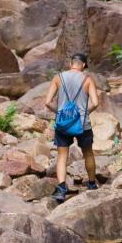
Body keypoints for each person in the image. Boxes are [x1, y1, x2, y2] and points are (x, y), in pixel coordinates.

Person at [43, 53, 102, 203]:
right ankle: (91, 184)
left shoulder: (58, 78)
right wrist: (82, 113)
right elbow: (95, 103)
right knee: (88, 153)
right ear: (83, 65)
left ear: (71, 63)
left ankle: (62, 189)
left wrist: (62, 113)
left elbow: (48, 102)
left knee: (62, 156)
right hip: (83, 124)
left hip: (62, 123)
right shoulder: (88, 80)